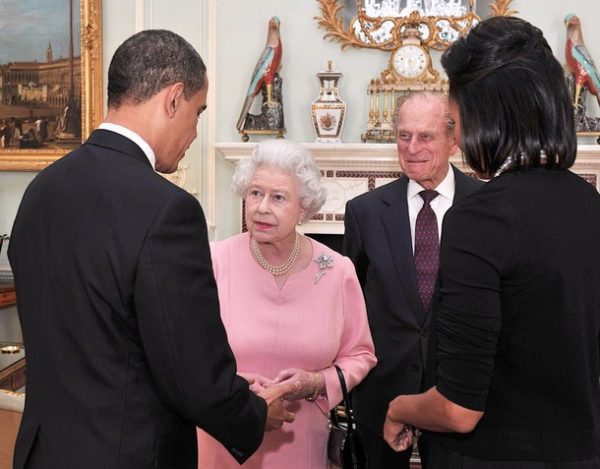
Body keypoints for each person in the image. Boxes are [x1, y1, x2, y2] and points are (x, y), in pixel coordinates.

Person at [8, 29, 297, 469]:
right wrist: (254, 414)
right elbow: (191, 372)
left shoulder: (41, 191)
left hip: (44, 454)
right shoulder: (168, 211)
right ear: (173, 99)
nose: (195, 132)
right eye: (198, 113)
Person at [383, 16, 600, 468]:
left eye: (454, 118)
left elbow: (458, 410)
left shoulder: (480, 217)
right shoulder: (589, 202)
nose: (457, 137)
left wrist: (398, 407)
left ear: (484, 112)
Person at [197, 139, 377, 469]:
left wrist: (316, 383)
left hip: (301, 444)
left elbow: (361, 355)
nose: (262, 207)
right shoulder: (212, 262)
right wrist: (235, 389)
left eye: (278, 197)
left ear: (304, 208)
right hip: (223, 443)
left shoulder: (337, 271)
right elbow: (186, 354)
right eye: (255, 193)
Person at [342, 90, 482, 469]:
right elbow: (350, 304)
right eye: (404, 135)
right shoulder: (364, 212)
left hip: (458, 397)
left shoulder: (486, 208)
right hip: (382, 394)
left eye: (425, 136)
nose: (412, 147)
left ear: (454, 141)